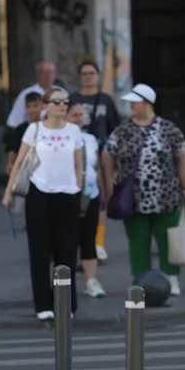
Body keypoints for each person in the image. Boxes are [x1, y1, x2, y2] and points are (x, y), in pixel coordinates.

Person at [102, 84, 185, 296]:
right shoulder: (122, 131)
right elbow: (108, 154)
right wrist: (109, 181)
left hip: (166, 196)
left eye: (136, 102)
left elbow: (181, 155)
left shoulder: (168, 129)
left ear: (148, 104)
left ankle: (171, 278)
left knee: (168, 241)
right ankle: (141, 280)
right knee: (138, 242)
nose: (131, 105)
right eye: (130, 102)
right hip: (132, 198)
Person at [2, 88, 83, 321]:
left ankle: (65, 302)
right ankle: (43, 305)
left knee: (66, 252)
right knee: (40, 252)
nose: (62, 106)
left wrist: (77, 186)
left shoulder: (74, 131)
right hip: (39, 194)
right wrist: (8, 192)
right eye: (56, 101)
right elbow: (18, 163)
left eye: (65, 102)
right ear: (46, 105)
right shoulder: (34, 129)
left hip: (68, 196)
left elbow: (79, 165)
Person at [69, 59, 121, 263]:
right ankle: (78, 243)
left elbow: (115, 127)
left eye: (91, 73)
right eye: (84, 74)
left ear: (98, 76)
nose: (88, 78)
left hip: (102, 152)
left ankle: (97, 243)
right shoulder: (74, 98)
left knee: (100, 199)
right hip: (79, 150)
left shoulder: (106, 100)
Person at [66, 102, 105, 298]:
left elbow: (96, 167)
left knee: (88, 239)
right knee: (68, 240)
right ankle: (66, 282)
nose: (79, 118)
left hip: (91, 194)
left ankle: (91, 280)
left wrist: (103, 190)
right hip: (68, 195)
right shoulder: (63, 137)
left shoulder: (90, 139)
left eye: (81, 115)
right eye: (74, 114)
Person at [5, 61, 67, 128]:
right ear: (38, 74)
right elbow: (14, 122)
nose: (48, 75)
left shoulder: (62, 92)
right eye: (44, 72)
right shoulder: (25, 94)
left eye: (50, 72)